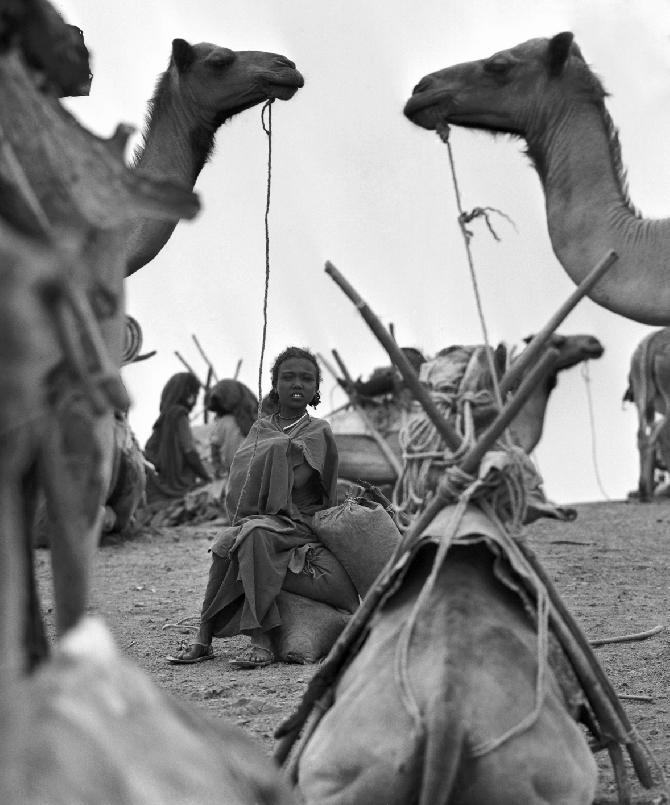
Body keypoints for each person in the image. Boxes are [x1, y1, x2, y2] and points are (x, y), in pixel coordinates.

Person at [167, 347, 346, 668]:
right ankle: (202, 638)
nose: (297, 384)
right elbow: (240, 476)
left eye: (306, 378)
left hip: (297, 520)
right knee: (224, 542)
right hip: (258, 515)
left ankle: (260, 637)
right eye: (288, 377)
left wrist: (274, 453)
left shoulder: (319, 430)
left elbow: (298, 479)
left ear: (316, 388)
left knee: (254, 534)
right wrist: (275, 452)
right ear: (275, 385)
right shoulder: (261, 428)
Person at [144, 372, 212, 500]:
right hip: (179, 485)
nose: (196, 401)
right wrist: (206, 477)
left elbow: (149, 451)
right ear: (188, 394)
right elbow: (189, 450)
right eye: (195, 395)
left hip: (160, 483)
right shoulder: (180, 415)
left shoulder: (163, 419)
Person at [206, 379, 258, 485]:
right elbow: (214, 446)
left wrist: (218, 466)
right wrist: (218, 466)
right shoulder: (225, 422)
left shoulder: (254, 421)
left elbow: (214, 447)